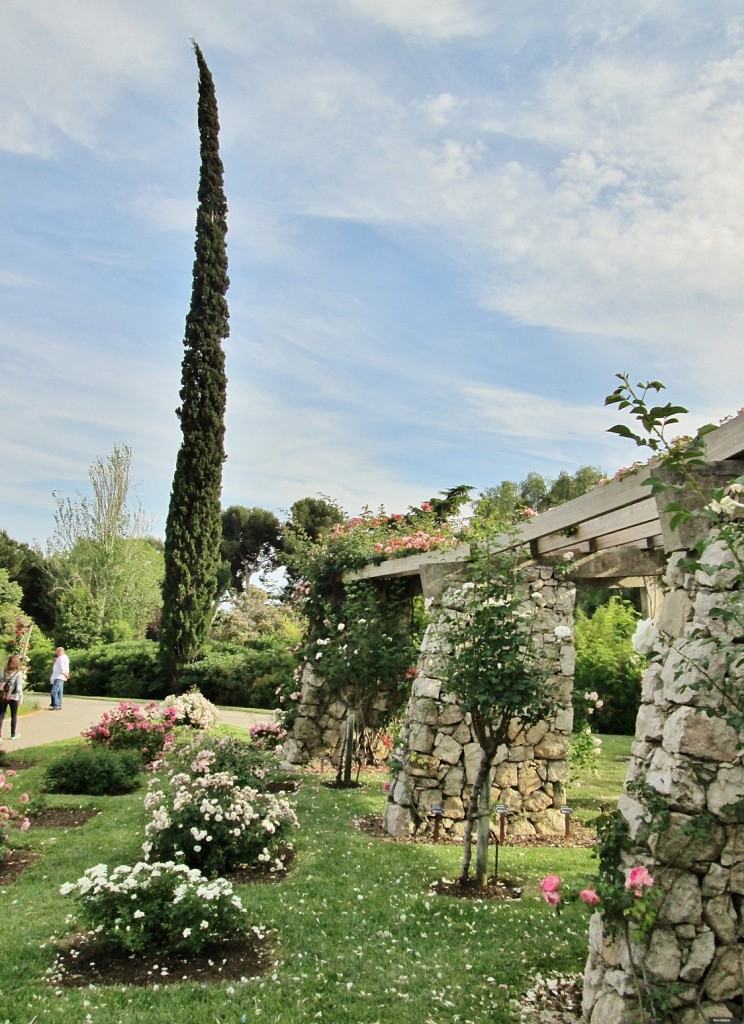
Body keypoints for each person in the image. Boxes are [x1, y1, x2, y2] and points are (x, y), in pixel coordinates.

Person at [1, 654, 24, 739]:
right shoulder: (18, 673)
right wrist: (21, 699)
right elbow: (19, 688)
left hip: (3, 696)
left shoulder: (3, 671)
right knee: (13, 715)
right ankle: (13, 734)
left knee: (1, 715)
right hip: (14, 697)